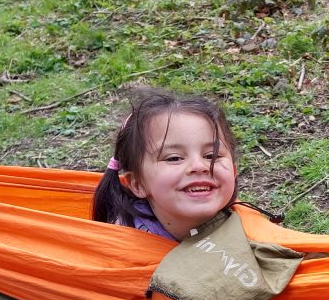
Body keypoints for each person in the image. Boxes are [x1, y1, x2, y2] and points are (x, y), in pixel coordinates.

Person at [92, 88, 238, 241]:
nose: (199, 166)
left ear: (234, 172)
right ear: (138, 184)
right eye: (174, 158)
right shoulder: (122, 244)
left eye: (211, 155)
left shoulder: (250, 231)